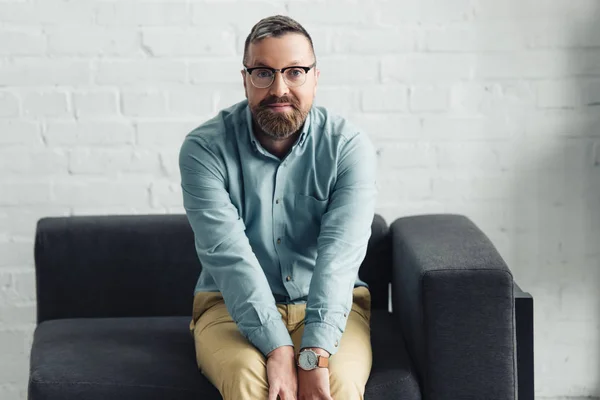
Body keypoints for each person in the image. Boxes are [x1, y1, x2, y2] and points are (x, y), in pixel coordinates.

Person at [179, 14, 377, 400]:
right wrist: (278, 347)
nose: (279, 88)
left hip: (331, 305)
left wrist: (314, 354)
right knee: (250, 382)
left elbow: (339, 258)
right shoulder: (204, 150)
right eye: (264, 73)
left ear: (315, 77)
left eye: (295, 72)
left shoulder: (347, 147)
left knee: (336, 385)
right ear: (245, 79)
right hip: (227, 306)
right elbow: (229, 257)